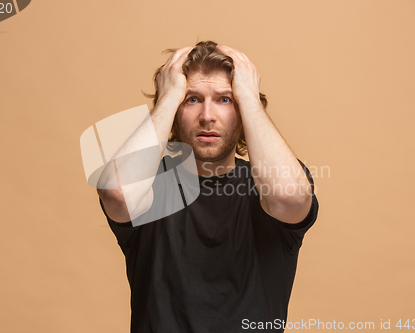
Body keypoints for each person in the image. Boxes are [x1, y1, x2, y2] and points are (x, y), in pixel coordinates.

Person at [96, 41, 319, 332]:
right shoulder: (149, 186)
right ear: (175, 109)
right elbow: (119, 195)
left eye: (225, 100)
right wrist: (169, 96)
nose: (207, 116)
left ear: (243, 110)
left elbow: (289, 198)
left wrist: (249, 98)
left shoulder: (268, 184)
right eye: (192, 99)